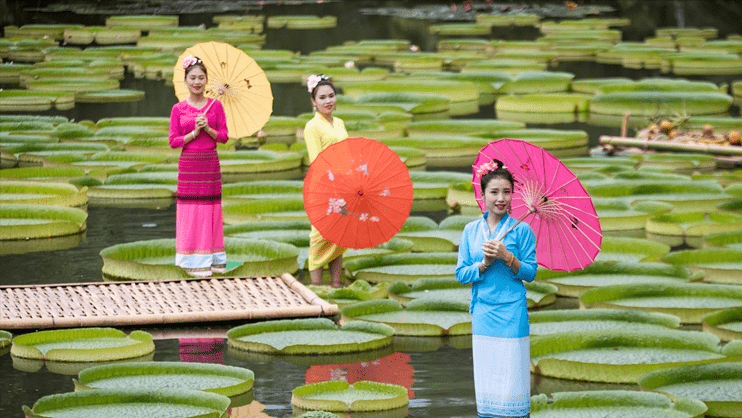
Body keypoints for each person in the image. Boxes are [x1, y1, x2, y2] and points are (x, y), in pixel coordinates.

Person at [455, 159, 537, 418]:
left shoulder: (522, 230)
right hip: (483, 313)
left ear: (513, 195)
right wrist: (483, 264)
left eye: (506, 192)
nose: (501, 198)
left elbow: (531, 272)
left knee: (513, 381)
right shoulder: (470, 231)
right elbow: (461, 274)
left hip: (512, 312)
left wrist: (508, 257)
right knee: (488, 381)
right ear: (483, 195)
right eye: (494, 192)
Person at [169, 55, 229, 277]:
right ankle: (189, 261)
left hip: (209, 165)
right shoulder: (178, 109)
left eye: (201, 78)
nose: (197, 82)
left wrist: (208, 130)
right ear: (185, 81)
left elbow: (223, 137)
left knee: (209, 211)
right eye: (192, 78)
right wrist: (194, 132)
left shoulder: (216, 106)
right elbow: (173, 141)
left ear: (206, 81)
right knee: (190, 211)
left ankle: (211, 261)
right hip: (189, 166)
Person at [303, 74, 348, 288]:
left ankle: (337, 283)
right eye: (322, 97)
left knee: (339, 237)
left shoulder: (339, 122)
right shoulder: (312, 127)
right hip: (323, 186)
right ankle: (317, 288)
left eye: (331, 95)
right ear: (313, 101)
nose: (328, 101)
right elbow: (316, 161)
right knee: (320, 236)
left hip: (344, 184)